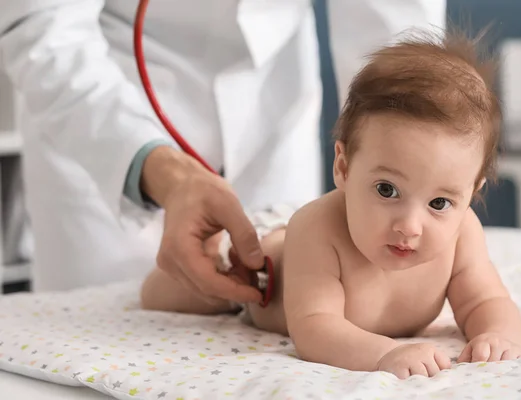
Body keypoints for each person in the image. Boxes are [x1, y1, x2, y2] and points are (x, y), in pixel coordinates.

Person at [140, 26, 521, 379]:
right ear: (343, 166)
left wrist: (498, 335)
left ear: (472, 191)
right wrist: (384, 354)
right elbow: (314, 328)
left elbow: (486, 300)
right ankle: (211, 251)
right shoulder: (318, 229)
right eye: (387, 190)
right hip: (260, 267)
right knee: (192, 289)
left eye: (440, 203)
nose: (410, 225)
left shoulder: (463, 236)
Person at [0, 1, 446, 302]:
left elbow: (394, 22)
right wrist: (160, 173)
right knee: (109, 325)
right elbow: (42, 26)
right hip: (106, 90)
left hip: (273, 81)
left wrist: (412, 156)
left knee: (289, 296)